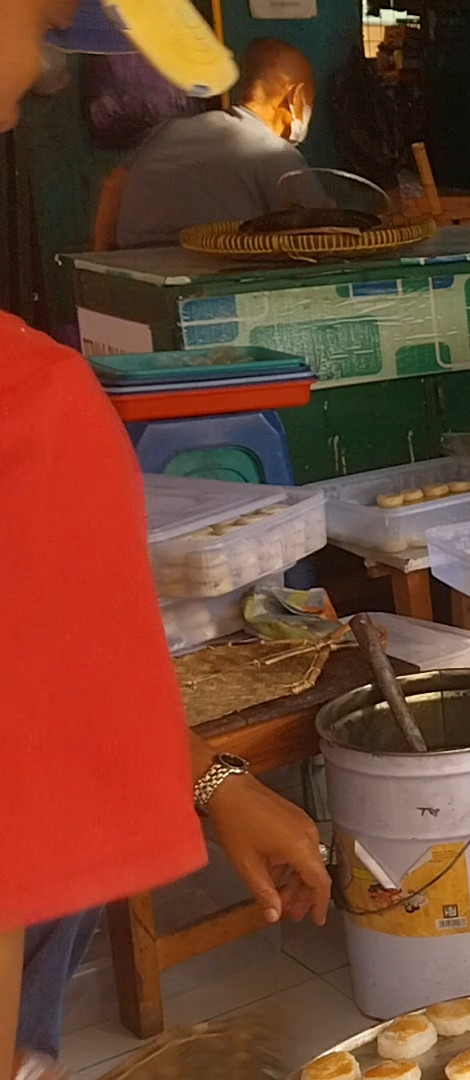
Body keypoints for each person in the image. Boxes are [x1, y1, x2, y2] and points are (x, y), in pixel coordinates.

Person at [4, 5, 332, 1077]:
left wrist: (209, 781)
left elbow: (43, 681)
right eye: (45, 21)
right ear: (288, 104)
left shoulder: (148, 155)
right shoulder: (28, 414)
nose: (48, 71)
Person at [114, 37, 330, 248]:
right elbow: (325, 230)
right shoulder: (276, 154)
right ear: (296, 96)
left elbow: (114, 183)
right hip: (211, 269)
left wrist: (103, 256)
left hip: (129, 266)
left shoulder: (168, 131)